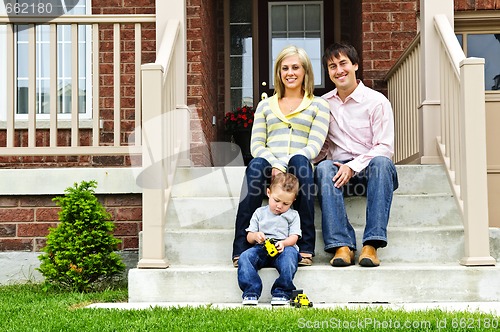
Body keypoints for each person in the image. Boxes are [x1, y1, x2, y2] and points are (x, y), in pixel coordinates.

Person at [231, 45, 330, 268]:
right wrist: (275, 164)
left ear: (305, 71)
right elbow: (256, 144)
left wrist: (285, 166)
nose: (290, 73)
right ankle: (241, 248)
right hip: (269, 170)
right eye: (284, 68)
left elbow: (314, 145)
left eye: (295, 67)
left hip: (298, 171)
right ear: (279, 72)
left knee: (301, 162)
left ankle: (305, 248)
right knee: (256, 165)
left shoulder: (319, 105)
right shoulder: (265, 105)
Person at [314, 42, 399, 267]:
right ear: (328, 72)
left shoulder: (377, 101)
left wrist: (353, 166)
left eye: (343, 63)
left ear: (355, 65)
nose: (339, 70)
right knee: (323, 168)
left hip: (371, 171)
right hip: (338, 174)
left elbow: (385, 147)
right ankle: (342, 246)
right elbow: (321, 147)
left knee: (382, 162)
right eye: (332, 66)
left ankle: (371, 245)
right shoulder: (323, 105)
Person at [237, 172, 301, 305]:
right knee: (245, 257)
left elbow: (294, 237)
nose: (279, 206)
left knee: (290, 258)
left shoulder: (293, 215)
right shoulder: (259, 212)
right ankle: (251, 292)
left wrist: (284, 243)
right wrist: (255, 236)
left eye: (285, 203)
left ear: (293, 201)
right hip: (261, 248)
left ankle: (282, 292)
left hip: (285, 248)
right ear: (268, 193)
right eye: (276, 200)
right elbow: (249, 237)